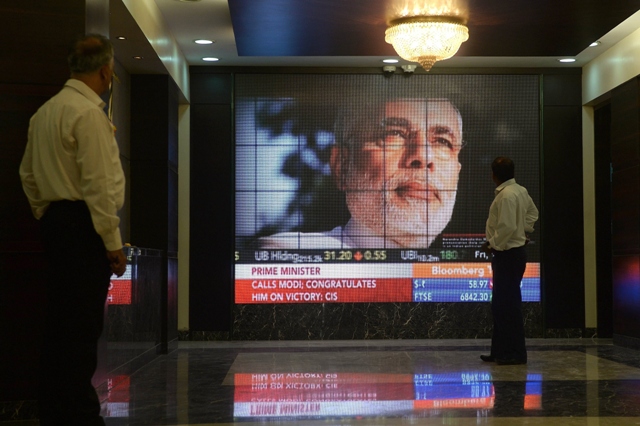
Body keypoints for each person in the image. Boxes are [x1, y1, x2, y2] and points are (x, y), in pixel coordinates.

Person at [19, 34, 126, 426]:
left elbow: (27, 175)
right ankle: (79, 414)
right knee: (82, 327)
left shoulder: (45, 113)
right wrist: (112, 243)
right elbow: (99, 185)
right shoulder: (88, 115)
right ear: (105, 70)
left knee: (59, 322)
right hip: (84, 228)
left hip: (54, 224)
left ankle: (55, 409)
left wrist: (45, 213)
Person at [257, 97, 464, 249]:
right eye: (394, 134)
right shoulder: (290, 255)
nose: (423, 156)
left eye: (443, 142)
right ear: (342, 165)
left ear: (457, 171)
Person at [480, 156, 538, 366]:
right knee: (502, 304)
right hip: (514, 253)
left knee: (507, 305)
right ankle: (500, 350)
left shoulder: (505, 196)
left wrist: (492, 244)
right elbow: (533, 213)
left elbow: (506, 228)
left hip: (507, 255)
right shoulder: (520, 191)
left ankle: (514, 353)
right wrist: (524, 230)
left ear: (494, 175)